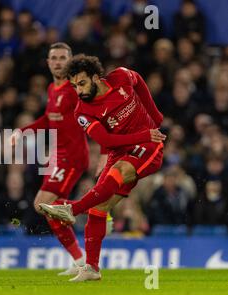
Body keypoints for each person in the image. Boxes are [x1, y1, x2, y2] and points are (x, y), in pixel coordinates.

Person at [40, 54, 167, 282]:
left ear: (96, 77)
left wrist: (154, 115)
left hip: (148, 145)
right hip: (121, 149)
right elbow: (107, 142)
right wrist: (145, 132)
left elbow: (137, 79)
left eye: (82, 83)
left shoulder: (120, 76)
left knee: (116, 175)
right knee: (98, 208)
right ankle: (91, 268)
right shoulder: (83, 112)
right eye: (74, 86)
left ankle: (73, 209)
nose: (78, 91)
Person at [11, 43, 91, 276]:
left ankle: (89, 211)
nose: (58, 62)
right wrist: (22, 131)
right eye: (54, 58)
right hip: (59, 157)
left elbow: (94, 110)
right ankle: (80, 259)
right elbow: (48, 120)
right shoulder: (52, 89)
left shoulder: (76, 89)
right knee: (48, 208)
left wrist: (105, 150)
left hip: (73, 157)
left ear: (71, 60)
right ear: (48, 62)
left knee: (41, 204)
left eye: (62, 58)